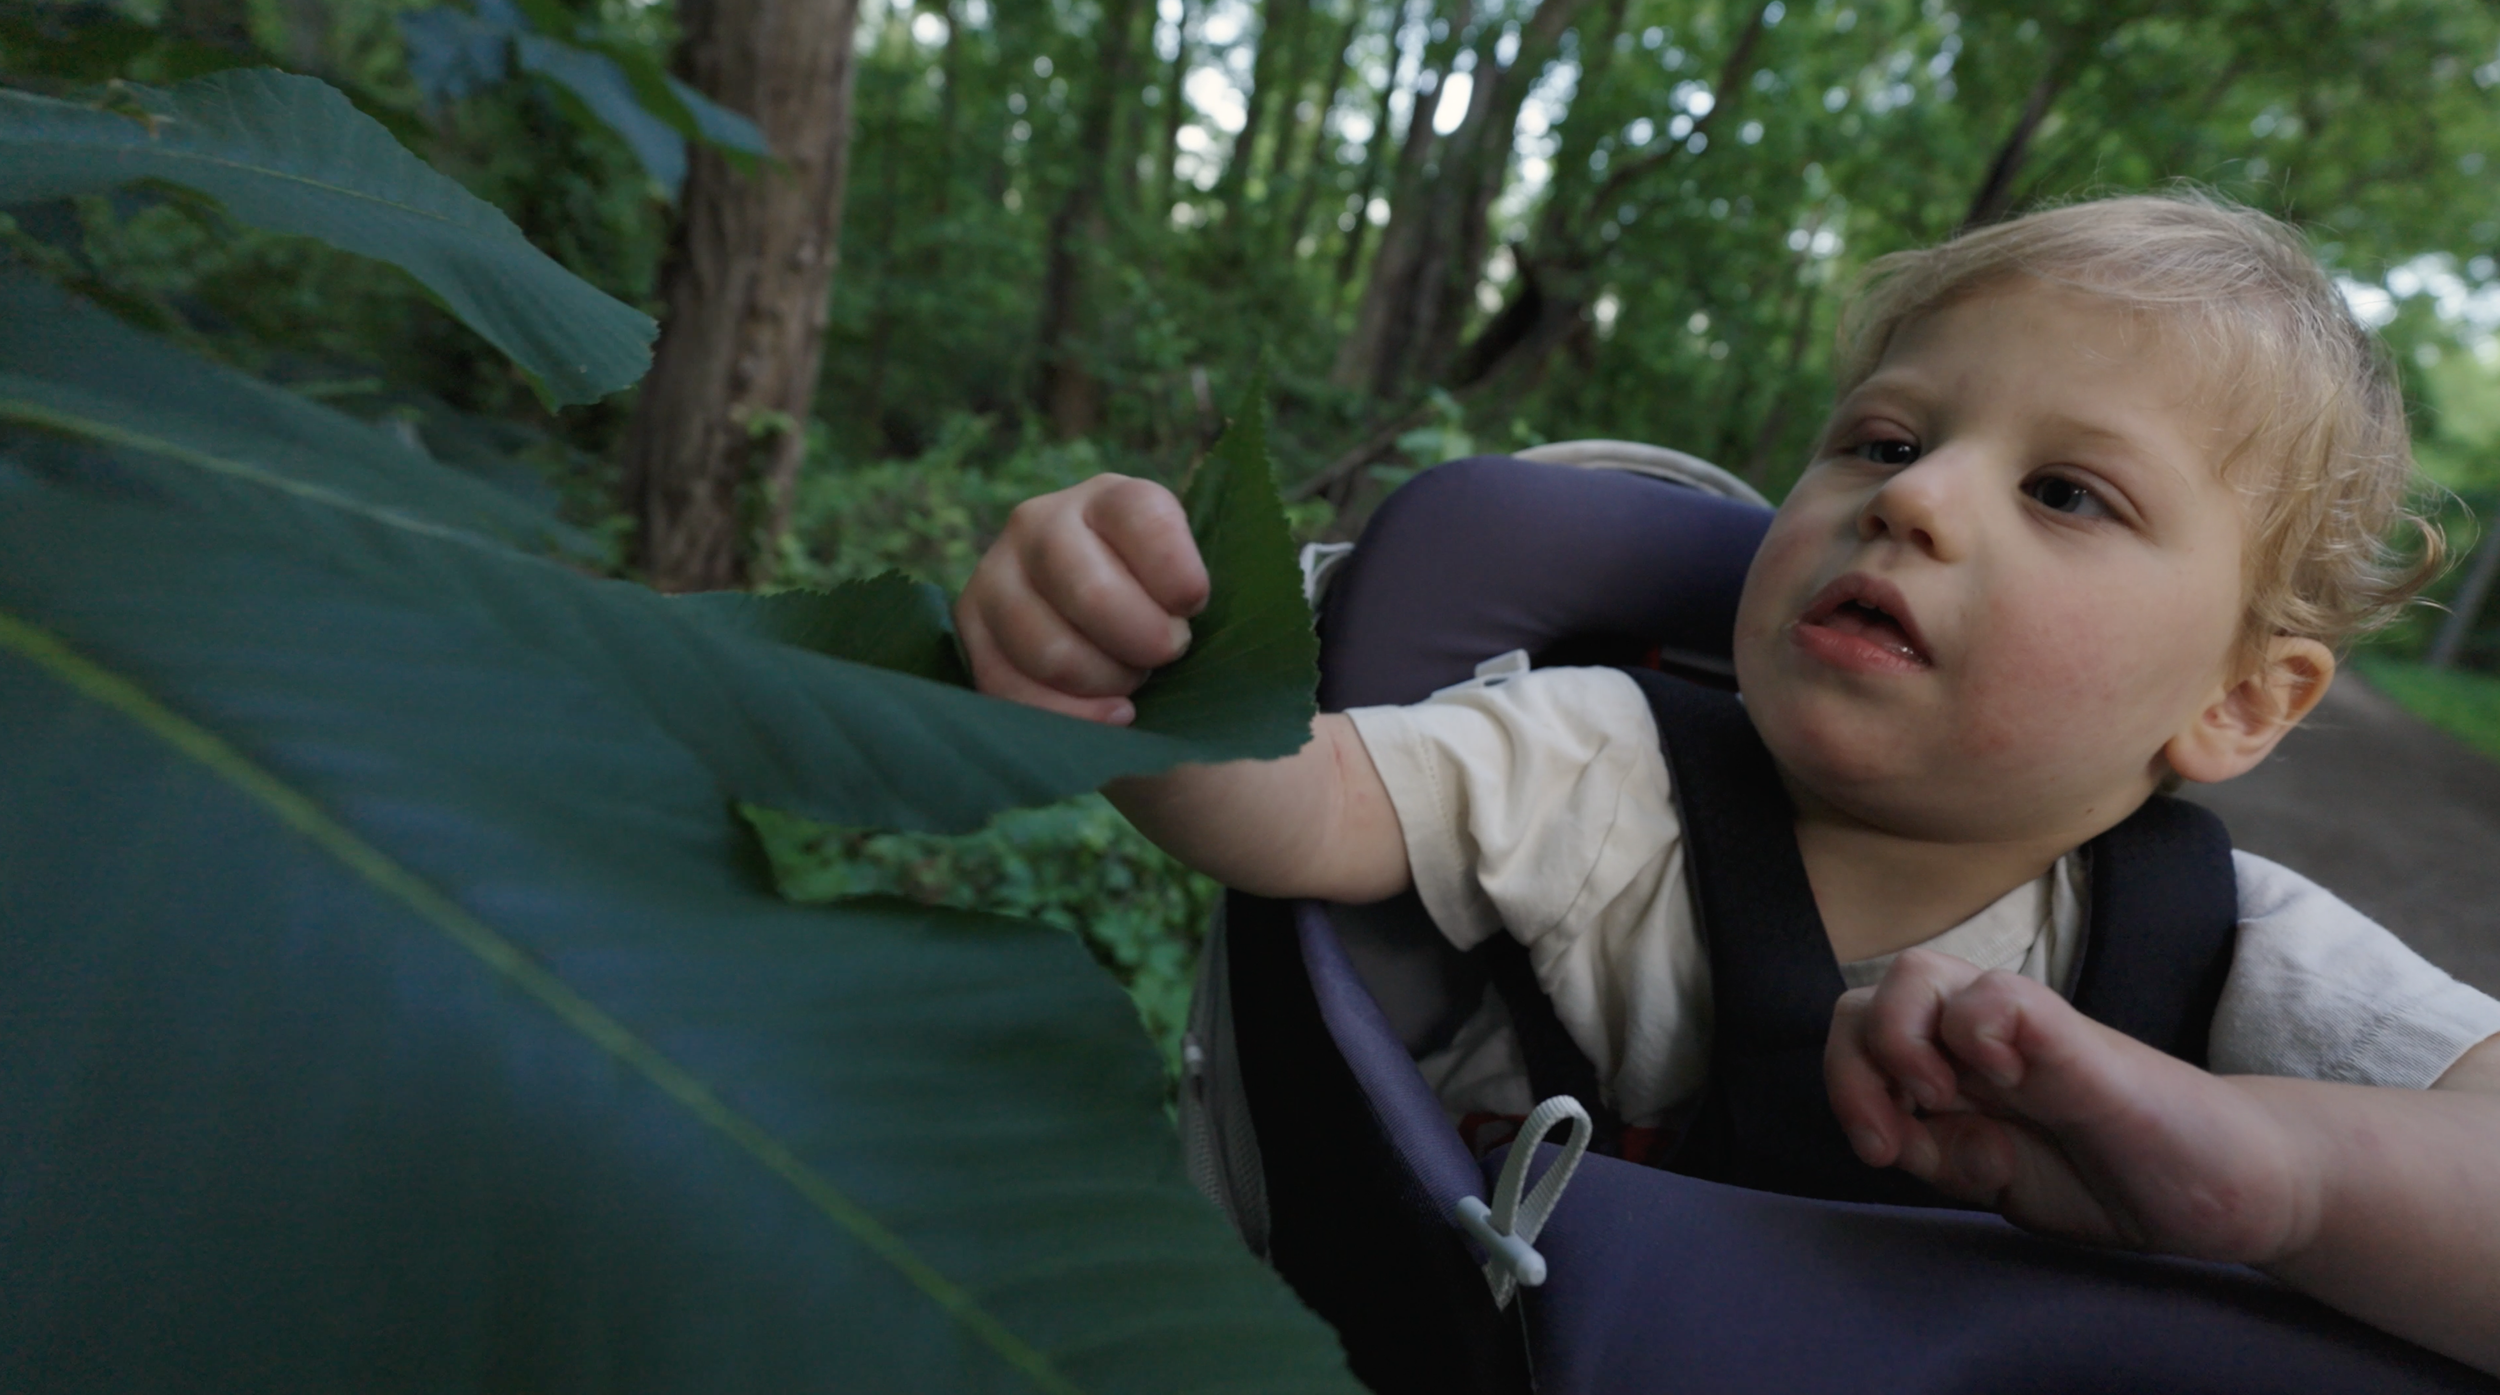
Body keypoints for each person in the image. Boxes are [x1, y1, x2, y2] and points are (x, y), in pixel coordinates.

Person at [953, 193, 2500, 1375]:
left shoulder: (2225, 943)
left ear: (2241, 699)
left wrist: (2280, 1176)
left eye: (2065, 492)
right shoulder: (1611, 767)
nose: (1916, 495)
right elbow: (1309, 801)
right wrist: (1135, 674)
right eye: (1883, 436)